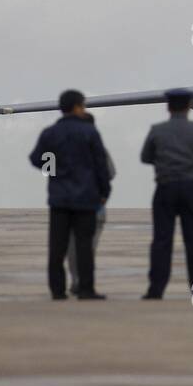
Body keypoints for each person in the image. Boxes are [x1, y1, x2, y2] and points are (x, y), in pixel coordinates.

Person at [28, 90, 112, 300]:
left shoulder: (50, 133)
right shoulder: (89, 132)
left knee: (57, 248)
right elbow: (101, 165)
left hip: (59, 199)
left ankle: (57, 291)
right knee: (84, 247)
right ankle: (86, 289)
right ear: (76, 107)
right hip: (85, 198)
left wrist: (53, 169)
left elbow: (36, 158)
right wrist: (104, 191)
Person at [140, 89, 193, 300]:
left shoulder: (157, 130)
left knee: (162, 240)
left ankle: (156, 290)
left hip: (165, 187)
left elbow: (146, 157)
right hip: (191, 188)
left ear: (168, 107)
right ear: (189, 106)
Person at [67, 112, 116, 297]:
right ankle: (84, 285)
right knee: (89, 246)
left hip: (70, 204)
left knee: (72, 245)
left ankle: (75, 281)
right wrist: (104, 193)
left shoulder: (63, 146)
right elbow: (110, 172)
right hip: (94, 205)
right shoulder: (98, 147)